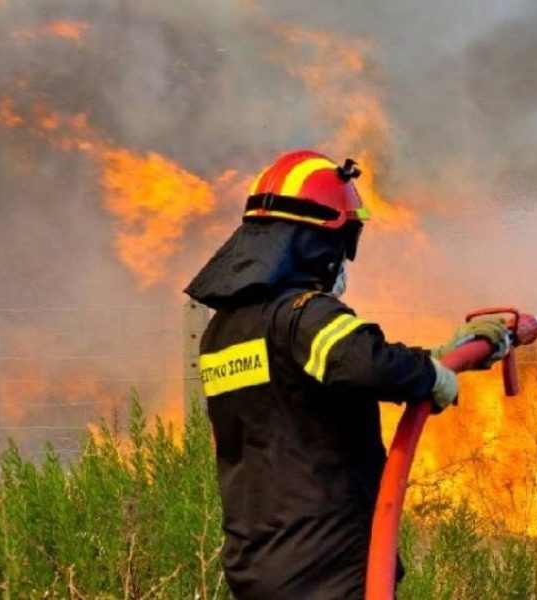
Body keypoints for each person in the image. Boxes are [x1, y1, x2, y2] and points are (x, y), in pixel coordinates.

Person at [184, 149, 509, 600]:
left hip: (259, 563)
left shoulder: (224, 331)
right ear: (317, 244)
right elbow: (364, 363)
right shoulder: (303, 313)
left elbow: (320, 376)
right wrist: (432, 377)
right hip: (327, 562)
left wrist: (439, 357)